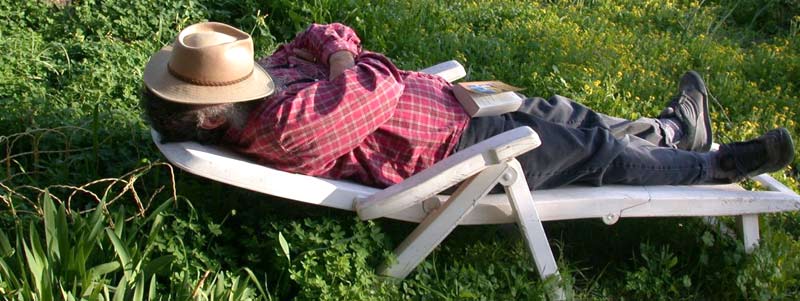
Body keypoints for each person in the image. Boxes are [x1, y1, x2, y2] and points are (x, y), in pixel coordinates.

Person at [141, 22, 794, 190]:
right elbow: (376, 80)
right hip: (467, 154)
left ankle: (674, 130)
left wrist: (339, 61)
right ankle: (710, 167)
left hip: (457, 105)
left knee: (576, 116)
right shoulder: (286, 125)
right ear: (213, 113)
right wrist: (342, 64)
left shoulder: (267, 94)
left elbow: (324, 36)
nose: (263, 72)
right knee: (596, 153)